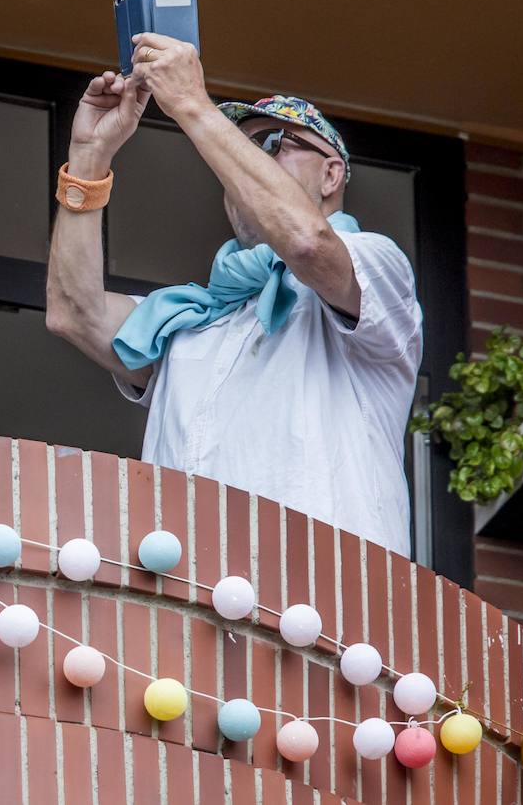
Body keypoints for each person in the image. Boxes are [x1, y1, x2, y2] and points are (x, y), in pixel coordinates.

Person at [45, 32, 422, 554]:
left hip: (325, 606)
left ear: (332, 173)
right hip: (190, 608)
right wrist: (88, 160)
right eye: (237, 150)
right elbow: (73, 313)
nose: (243, 164)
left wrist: (193, 106)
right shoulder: (193, 318)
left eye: (269, 146)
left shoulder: (375, 262)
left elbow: (309, 243)